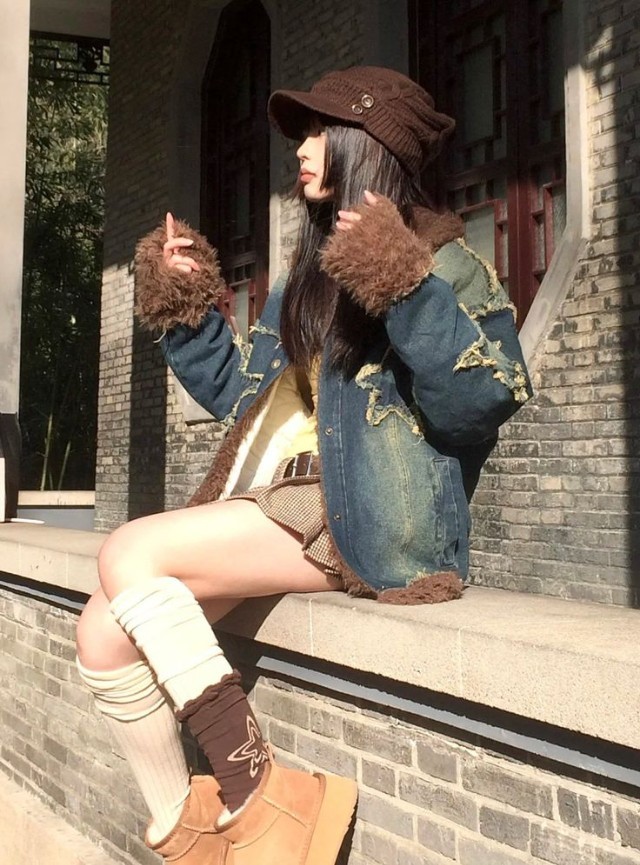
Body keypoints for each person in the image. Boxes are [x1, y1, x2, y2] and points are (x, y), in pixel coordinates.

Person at [75, 66, 532, 865]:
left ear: (368, 144)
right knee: (101, 634)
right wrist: (188, 305)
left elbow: (478, 404)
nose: (303, 148)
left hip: (372, 511)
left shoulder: (448, 263)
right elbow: (242, 396)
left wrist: (404, 285)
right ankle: (193, 836)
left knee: (129, 550)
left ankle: (261, 795)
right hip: (283, 498)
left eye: (321, 131)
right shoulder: (306, 276)